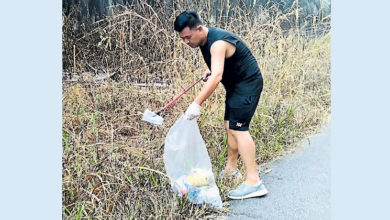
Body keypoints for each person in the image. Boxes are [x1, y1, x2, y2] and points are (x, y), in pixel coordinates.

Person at [174, 9, 268, 200]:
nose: (186, 42)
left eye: (188, 37)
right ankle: (231, 170)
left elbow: (217, 76)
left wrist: (196, 103)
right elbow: (218, 68)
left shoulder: (217, 43)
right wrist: (211, 69)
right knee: (230, 127)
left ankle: (254, 182)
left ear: (199, 28)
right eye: (183, 38)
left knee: (240, 130)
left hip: (247, 85)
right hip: (235, 85)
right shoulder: (203, 40)